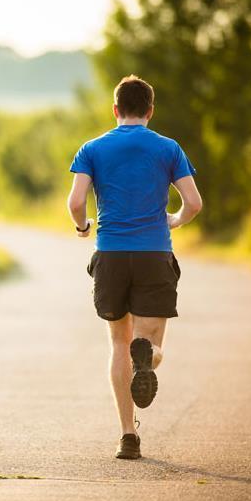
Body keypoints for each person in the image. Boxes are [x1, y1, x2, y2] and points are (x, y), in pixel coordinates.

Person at [67, 75, 203, 460]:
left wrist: (82, 227)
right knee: (151, 344)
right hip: (153, 254)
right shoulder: (168, 148)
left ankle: (128, 436)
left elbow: (76, 201)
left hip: (110, 254)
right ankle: (150, 358)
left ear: (115, 110)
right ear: (150, 110)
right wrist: (174, 220)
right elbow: (193, 203)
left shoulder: (92, 148)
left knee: (118, 344)